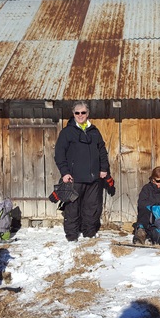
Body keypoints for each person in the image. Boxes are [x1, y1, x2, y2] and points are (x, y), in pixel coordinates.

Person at [54, 101, 110, 242]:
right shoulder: (67, 132)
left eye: (83, 112)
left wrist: (103, 168)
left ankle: (89, 232)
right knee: (72, 208)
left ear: (88, 113)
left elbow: (102, 150)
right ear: (73, 114)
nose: (80, 115)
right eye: (77, 113)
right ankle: (72, 235)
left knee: (91, 207)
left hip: (93, 177)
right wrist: (65, 172)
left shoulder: (94, 131)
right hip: (74, 178)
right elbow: (59, 154)